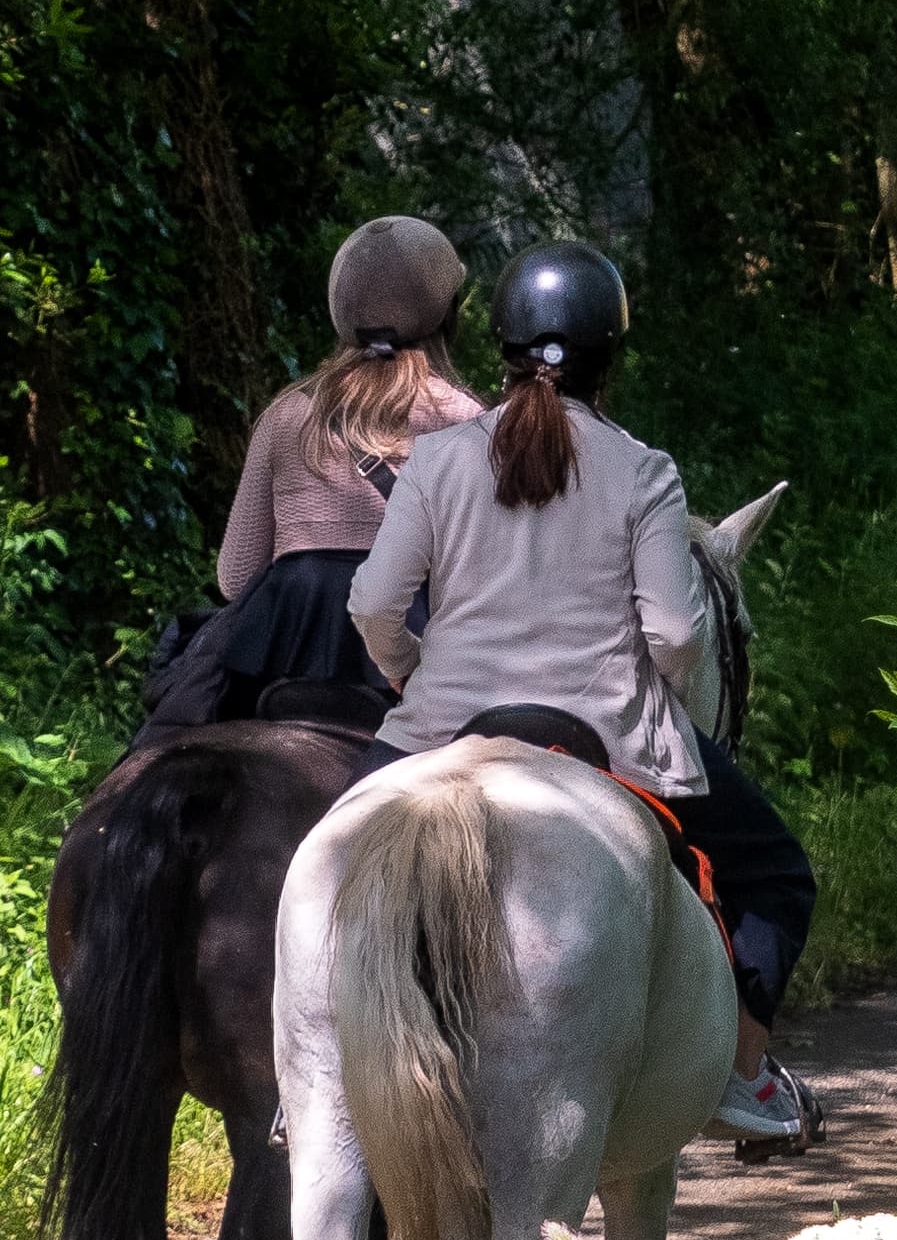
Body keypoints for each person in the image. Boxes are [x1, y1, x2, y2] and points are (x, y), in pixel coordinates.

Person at [345, 237, 821, 1155]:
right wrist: (664, 706)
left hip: (441, 729)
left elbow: (372, 602)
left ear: (502, 348)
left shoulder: (437, 459)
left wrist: (409, 672)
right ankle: (743, 1073)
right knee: (775, 876)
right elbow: (679, 634)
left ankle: (312, 1074)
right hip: (606, 733)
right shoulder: (643, 471)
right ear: (612, 356)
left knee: (325, 870)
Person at [147, 217, 485, 730]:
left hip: (282, 642)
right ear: (446, 314)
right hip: (405, 645)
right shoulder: (468, 423)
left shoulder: (286, 415)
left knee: (168, 736)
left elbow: (235, 578)